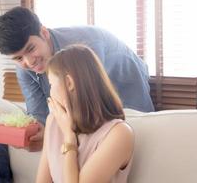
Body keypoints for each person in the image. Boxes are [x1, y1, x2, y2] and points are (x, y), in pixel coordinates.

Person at [0, 6, 154, 151]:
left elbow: (89, 105)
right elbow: (38, 115)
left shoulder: (83, 47)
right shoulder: (24, 68)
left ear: (44, 33)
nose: (28, 61)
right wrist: (34, 135)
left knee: (139, 133)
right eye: (19, 58)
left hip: (125, 76)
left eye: (31, 48)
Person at [36, 44, 134, 183]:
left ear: (69, 83)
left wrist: (69, 138)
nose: (50, 93)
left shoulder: (119, 134)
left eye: (51, 84)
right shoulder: (54, 121)